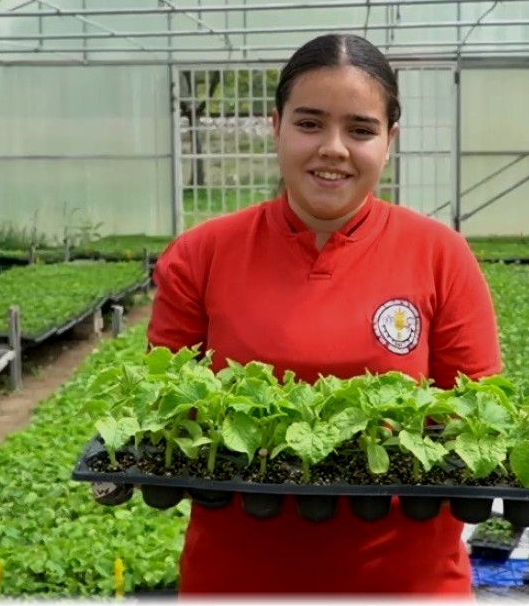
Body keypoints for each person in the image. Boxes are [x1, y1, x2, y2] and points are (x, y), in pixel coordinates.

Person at [147, 33, 502, 595]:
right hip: (237, 578)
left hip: (408, 579)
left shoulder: (440, 255)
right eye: (309, 123)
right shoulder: (201, 254)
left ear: (389, 141)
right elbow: (165, 411)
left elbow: (478, 414)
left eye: (360, 130)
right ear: (276, 127)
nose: (333, 148)